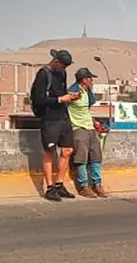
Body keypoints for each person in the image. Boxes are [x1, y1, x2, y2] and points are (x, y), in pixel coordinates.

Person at [31, 49, 78, 201]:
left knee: (67, 150)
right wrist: (58, 100)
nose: (65, 70)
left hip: (63, 116)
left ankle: (59, 184)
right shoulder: (43, 74)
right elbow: (38, 99)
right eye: (63, 66)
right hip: (49, 117)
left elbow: (62, 93)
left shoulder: (62, 74)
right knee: (49, 152)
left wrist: (70, 98)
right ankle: (50, 188)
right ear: (56, 62)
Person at [67, 67, 108, 198]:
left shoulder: (87, 93)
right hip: (78, 128)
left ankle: (97, 184)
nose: (92, 81)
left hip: (90, 127)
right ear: (84, 79)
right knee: (81, 158)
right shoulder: (73, 92)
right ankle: (84, 186)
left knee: (95, 157)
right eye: (90, 78)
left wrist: (94, 122)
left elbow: (86, 110)